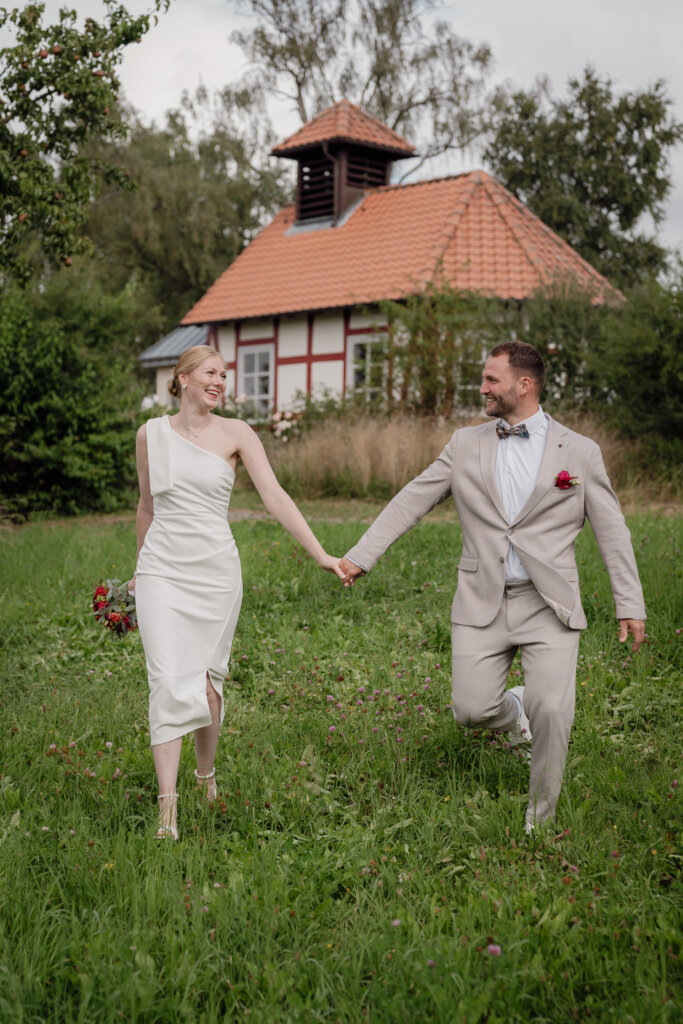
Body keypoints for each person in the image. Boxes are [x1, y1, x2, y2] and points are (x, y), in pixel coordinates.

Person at [340, 341, 645, 834]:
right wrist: (361, 555)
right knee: (471, 709)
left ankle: (538, 823)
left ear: (523, 385)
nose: (481, 388)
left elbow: (612, 532)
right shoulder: (465, 444)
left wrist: (629, 604)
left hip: (549, 605)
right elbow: (412, 498)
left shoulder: (580, 453)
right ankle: (513, 710)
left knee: (554, 711)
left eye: (491, 380)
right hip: (482, 598)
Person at [132, 346, 343, 839]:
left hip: (215, 573)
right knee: (166, 681)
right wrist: (138, 574)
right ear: (181, 379)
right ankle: (167, 811)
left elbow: (275, 496)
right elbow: (146, 506)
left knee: (206, 685)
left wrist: (320, 554)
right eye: (211, 373)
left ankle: (205, 776)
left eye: (224, 376)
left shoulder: (237, 433)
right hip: (160, 570)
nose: (221, 382)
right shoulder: (150, 436)